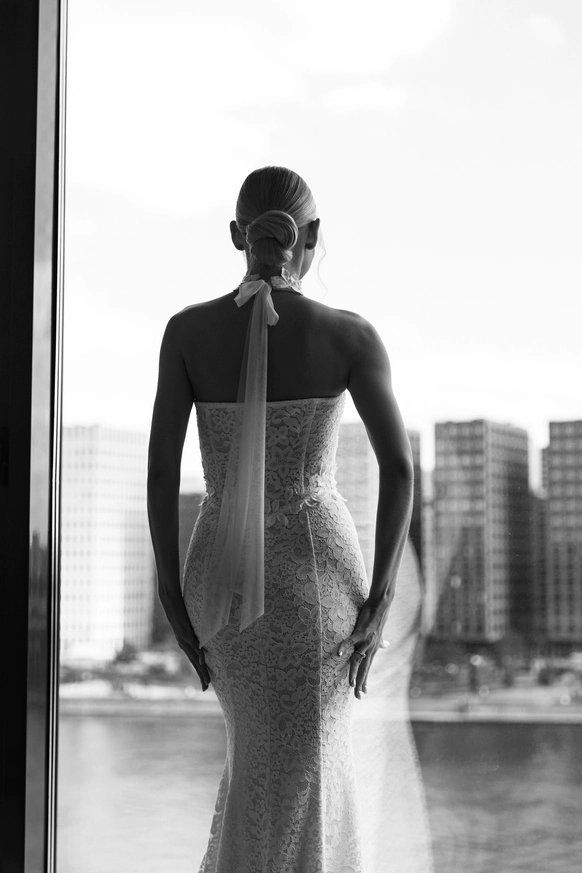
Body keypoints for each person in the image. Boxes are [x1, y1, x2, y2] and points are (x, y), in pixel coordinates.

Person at [147, 166, 416, 873]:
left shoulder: (185, 332)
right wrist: (380, 598)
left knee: (256, 762)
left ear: (238, 235)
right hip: (320, 583)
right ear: (313, 235)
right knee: (311, 768)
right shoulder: (350, 335)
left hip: (217, 582)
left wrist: (172, 594)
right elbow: (400, 469)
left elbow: (160, 474)